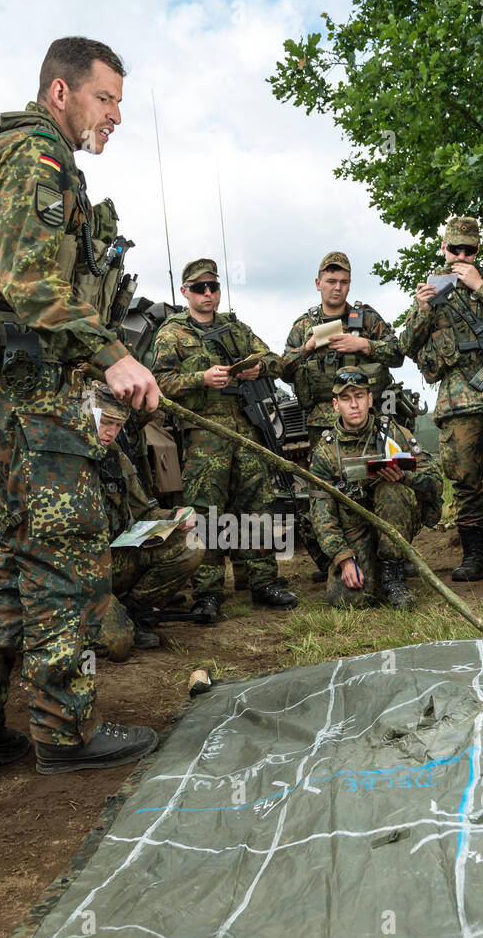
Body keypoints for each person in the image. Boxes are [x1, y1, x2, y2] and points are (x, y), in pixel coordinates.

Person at [0, 36, 162, 776]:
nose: (116, 117)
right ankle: (64, 733)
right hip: (30, 394)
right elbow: (33, 286)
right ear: (61, 93)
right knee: (64, 551)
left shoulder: (0, 151)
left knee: (14, 552)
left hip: (3, 391)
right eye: (106, 99)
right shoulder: (39, 156)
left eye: (121, 103)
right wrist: (114, 356)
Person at [152, 258, 298, 621]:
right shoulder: (171, 333)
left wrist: (258, 368)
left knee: (256, 508)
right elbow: (158, 384)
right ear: (185, 292)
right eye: (199, 288)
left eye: (213, 287)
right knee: (206, 513)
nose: (208, 294)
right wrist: (199, 378)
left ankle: (263, 582)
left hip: (247, 430)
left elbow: (277, 361)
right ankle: (207, 593)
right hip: (204, 436)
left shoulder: (236, 328)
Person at [400, 216, 483, 582]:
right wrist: (423, 309)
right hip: (459, 403)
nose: (460, 256)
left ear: (477, 250)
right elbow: (405, 346)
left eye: (467, 250)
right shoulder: (431, 291)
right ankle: (474, 556)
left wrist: (481, 287)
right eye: (454, 249)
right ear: (443, 248)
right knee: (465, 481)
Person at [309, 368, 443, 609]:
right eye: (346, 398)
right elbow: (321, 513)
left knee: (392, 490)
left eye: (359, 396)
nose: (354, 405)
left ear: (370, 400)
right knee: (348, 600)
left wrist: (405, 478)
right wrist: (343, 558)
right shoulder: (325, 452)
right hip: (354, 529)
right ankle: (369, 565)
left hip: (393, 521)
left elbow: (434, 480)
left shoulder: (393, 433)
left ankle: (393, 575)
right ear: (335, 404)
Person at [89, 385, 201, 654]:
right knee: (118, 646)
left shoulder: (115, 456)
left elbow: (142, 512)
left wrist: (175, 516)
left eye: (118, 425)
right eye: (105, 422)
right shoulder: (60, 461)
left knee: (189, 544)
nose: (111, 432)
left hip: (111, 561)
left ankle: (133, 613)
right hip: (74, 573)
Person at [281, 252, 404, 452]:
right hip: (323, 423)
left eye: (343, 282)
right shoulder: (303, 326)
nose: (337, 288)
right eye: (331, 281)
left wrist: (363, 345)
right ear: (318, 283)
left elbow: (398, 355)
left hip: (369, 417)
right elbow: (283, 370)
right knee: (327, 480)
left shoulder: (367, 319)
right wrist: (308, 347)